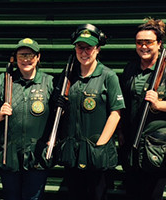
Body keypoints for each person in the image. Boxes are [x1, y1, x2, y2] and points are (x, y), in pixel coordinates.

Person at [118, 19, 166, 200]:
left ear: (159, 43)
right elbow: (123, 104)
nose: (143, 46)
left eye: (149, 42)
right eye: (139, 42)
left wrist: (159, 105)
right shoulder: (131, 68)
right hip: (132, 149)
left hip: (158, 150)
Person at [57, 24, 125, 200]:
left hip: (97, 153)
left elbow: (116, 113)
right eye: (80, 47)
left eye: (89, 48)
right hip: (73, 152)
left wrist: (100, 146)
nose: (84, 52)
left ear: (98, 49)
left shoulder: (108, 76)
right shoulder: (67, 77)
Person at [0, 38, 54, 200]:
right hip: (9, 154)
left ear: (38, 57)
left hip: (37, 154)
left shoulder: (49, 82)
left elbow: (60, 115)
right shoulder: (4, 80)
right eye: (21, 55)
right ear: (15, 58)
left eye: (30, 55)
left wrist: (53, 139)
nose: (26, 59)